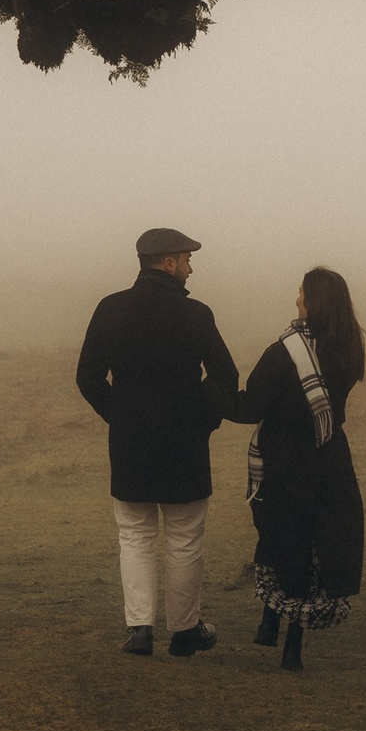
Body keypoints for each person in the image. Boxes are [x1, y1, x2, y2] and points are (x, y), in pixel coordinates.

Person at [75, 227, 242, 658]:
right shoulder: (196, 314)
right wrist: (204, 419)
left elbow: (87, 378)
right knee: (185, 537)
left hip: (130, 442)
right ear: (168, 263)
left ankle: (140, 631)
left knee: (134, 534)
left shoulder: (109, 309)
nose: (191, 267)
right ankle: (185, 631)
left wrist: (121, 416)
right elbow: (226, 376)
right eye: (186, 259)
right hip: (184, 442)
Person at [239, 266, 366, 672]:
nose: (296, 299)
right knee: (312, 548)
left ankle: (270, 618)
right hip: (329, 458)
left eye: (301, 294)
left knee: (279, 535)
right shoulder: (348, 349)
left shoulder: (285, 352)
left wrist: (208, 393)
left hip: (284, 461)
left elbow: (251, 406)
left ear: (312, 303)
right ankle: (291, 645)